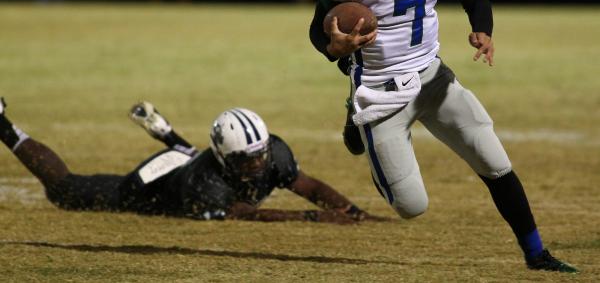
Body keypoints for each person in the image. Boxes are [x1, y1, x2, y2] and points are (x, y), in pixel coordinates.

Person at [309, 0, 578, 272]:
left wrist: (482, 31)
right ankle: (357, 112)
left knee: (495, 161)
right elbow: (317, 32)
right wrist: (335, 46)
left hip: (434, 77)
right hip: (381, 92)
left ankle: (536, 254)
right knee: (412, 206)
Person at [0, 97, 380, 224]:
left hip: (194, 164)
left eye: (260, 154)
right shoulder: (206, 185)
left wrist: (354, 212)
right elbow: (247, 213)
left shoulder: (272, 152)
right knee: (65, 192)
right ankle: (3, 125)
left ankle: (169, 135)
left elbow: (308, 185)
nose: (259, 165)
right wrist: (311, 218)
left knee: (194, 159)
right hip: (150, 190)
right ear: (225, 157)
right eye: (247, 159)